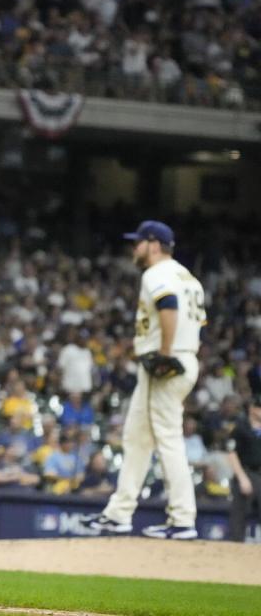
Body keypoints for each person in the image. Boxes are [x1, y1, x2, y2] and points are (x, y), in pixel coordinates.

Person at [84, 221, 205, 539]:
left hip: (167, 363)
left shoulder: (158, 273)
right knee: (136, 437)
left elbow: (169, 306)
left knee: (167, 438)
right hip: (179, 358)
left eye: (137, 243)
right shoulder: (187, 276)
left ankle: (182, 519)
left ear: (154, 244)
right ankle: (118, 514)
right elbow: (197, 323)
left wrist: (165, 353)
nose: (133, 248)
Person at [227, 398, 261, 542]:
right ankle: (235, 546)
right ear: (252, 409)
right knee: (238, 515)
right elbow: (231, 453)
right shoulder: (240, 428)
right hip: (246, 473)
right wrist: (241, 477)